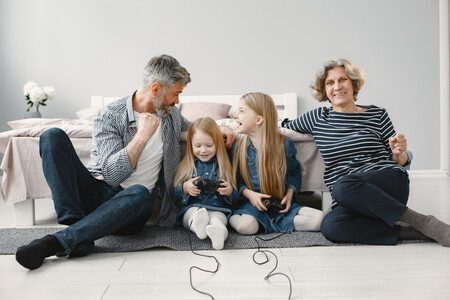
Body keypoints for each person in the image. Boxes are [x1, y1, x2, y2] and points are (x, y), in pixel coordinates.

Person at [15, 54, 236, 270]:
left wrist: (221, 128)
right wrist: (141, 136)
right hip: (98, 192)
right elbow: (111, 176)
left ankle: (55, 242)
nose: (178, 101)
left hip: (132, 207)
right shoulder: (110, 115)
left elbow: (196, 129)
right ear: (156, 89)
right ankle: (77, 230)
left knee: (140, 192)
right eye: (175, 94)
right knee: (51, 136)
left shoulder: (171, 114)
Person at [282, 58, 450, 246]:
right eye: (330, 83)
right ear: (324, 91)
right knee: (330, 226)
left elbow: (399, 160)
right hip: (348, 196)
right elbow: (283, 127)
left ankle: (423, 221)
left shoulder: (377, 114)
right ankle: (415, 231)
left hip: (387, 180)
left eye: (342, 80)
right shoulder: (317, 118)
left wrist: (399, 151)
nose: (337, 87)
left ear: (353, 83)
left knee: (342, 185)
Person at [229, 92, 325, 235]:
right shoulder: (238, 146)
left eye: (241, 111)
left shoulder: (284, 143)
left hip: (279, 203)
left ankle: (268, 223)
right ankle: (229, 217)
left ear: (259, 120)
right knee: (245, 227)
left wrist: (290, 193)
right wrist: (250, 195)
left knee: (319, 219)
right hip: (251, 205)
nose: (235, 116)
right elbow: (234, 180)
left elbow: (294, 172)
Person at [174, 117, 239, 250]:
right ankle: (200, 228)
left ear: (218, 144)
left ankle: (219, 234)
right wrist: (185, 188)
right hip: (193, 207)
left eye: (209, 146)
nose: (203, 150)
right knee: (192, 214)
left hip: (217, 208)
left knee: (218, 219)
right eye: (198, 146)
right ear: (191, 145)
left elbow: (236, 197)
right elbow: (175, 195)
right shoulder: (187, 166)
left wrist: (230, 191)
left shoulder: (224, 166)